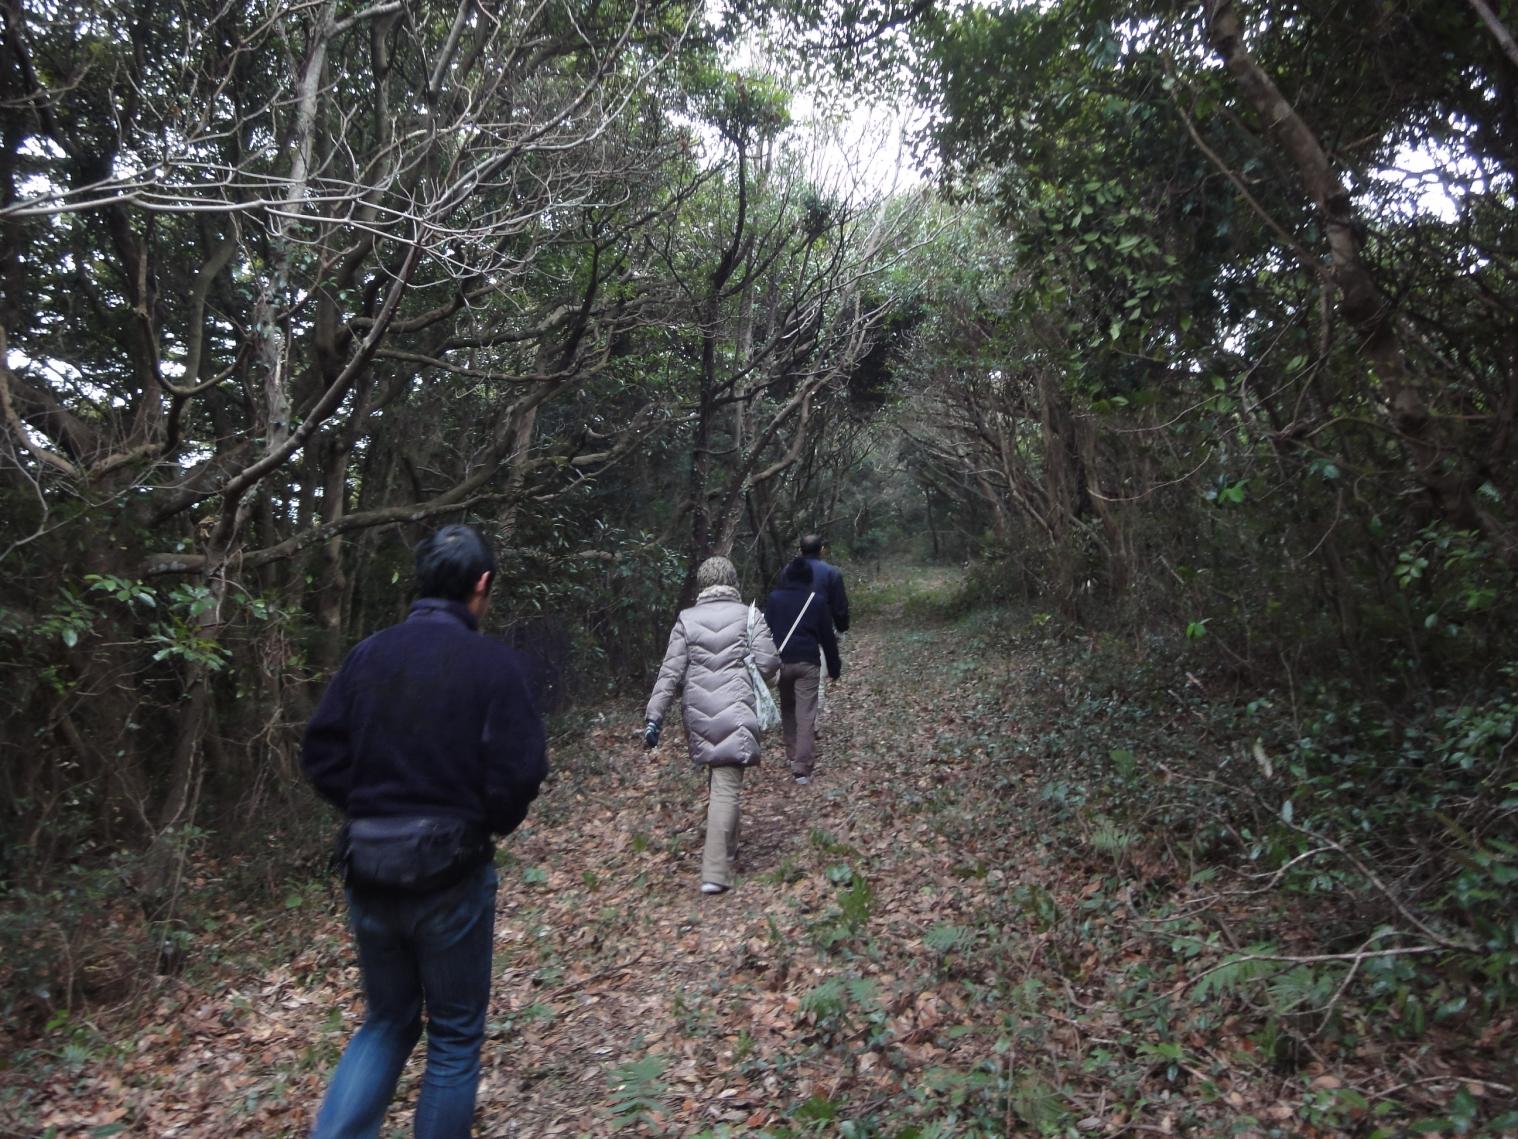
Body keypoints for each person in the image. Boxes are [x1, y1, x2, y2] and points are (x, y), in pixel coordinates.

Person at [301, 524, 548, 1139]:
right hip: (451, 872)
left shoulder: (368, 655)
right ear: (482, 585)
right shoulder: (493, 664)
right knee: (456, 1034)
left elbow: (322, 756)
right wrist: (486, 821)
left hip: (370, 866)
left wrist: (370, 810)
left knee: (386, 1019)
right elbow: (521, 770)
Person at [643, 555, 779, 895]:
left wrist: (653, 715)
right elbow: (768, 663)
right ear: (732, 581)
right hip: (736, 708)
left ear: (703, 584)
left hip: (700, 712)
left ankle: (730, 850)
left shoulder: (686, 620)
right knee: (726, 785)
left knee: (721, 780)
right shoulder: (749, 615)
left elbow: (670, 672)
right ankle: (715, 871)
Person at [763, 557, 842, 784]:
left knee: (788, 708)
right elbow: (827, 638)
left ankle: (792, 754)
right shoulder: (816, 601)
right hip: (808, 662)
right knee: (806, 714)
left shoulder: (775, 599)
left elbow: (766, 631)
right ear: (809, 577)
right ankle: (802, 766)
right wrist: (834, 667)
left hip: (782, 662)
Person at [799, 533, 849, 635]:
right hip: (821, 631)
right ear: (822, 550)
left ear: (800, 551)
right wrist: (842, 627)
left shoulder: (786, 572)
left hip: (791, 632)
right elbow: (839, 606)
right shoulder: (831, 573)